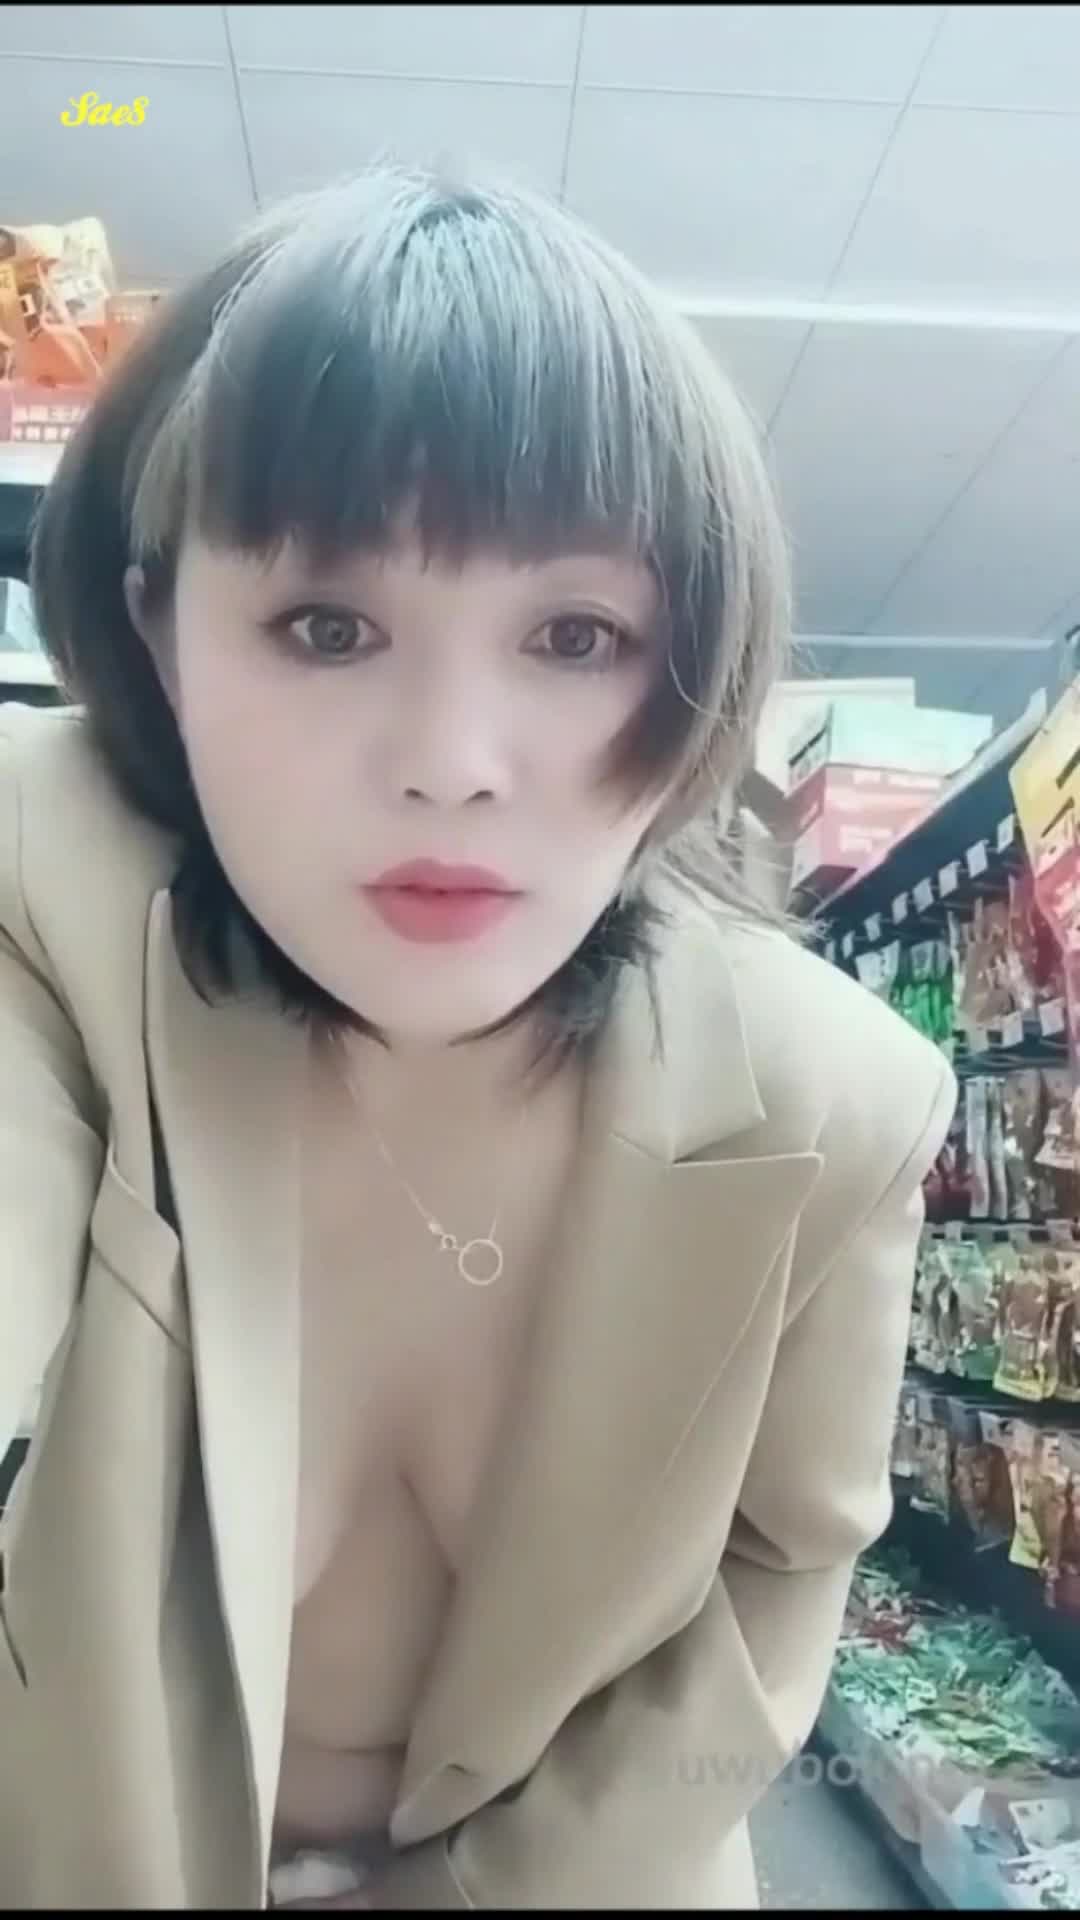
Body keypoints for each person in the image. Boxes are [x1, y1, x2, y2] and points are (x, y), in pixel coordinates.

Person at [0, 167, 955, 1910]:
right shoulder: (37, 892)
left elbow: (777, 1584)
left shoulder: (837, 1097)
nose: (452, 762)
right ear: (160, 631)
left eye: (576, 636)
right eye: (328, 627)